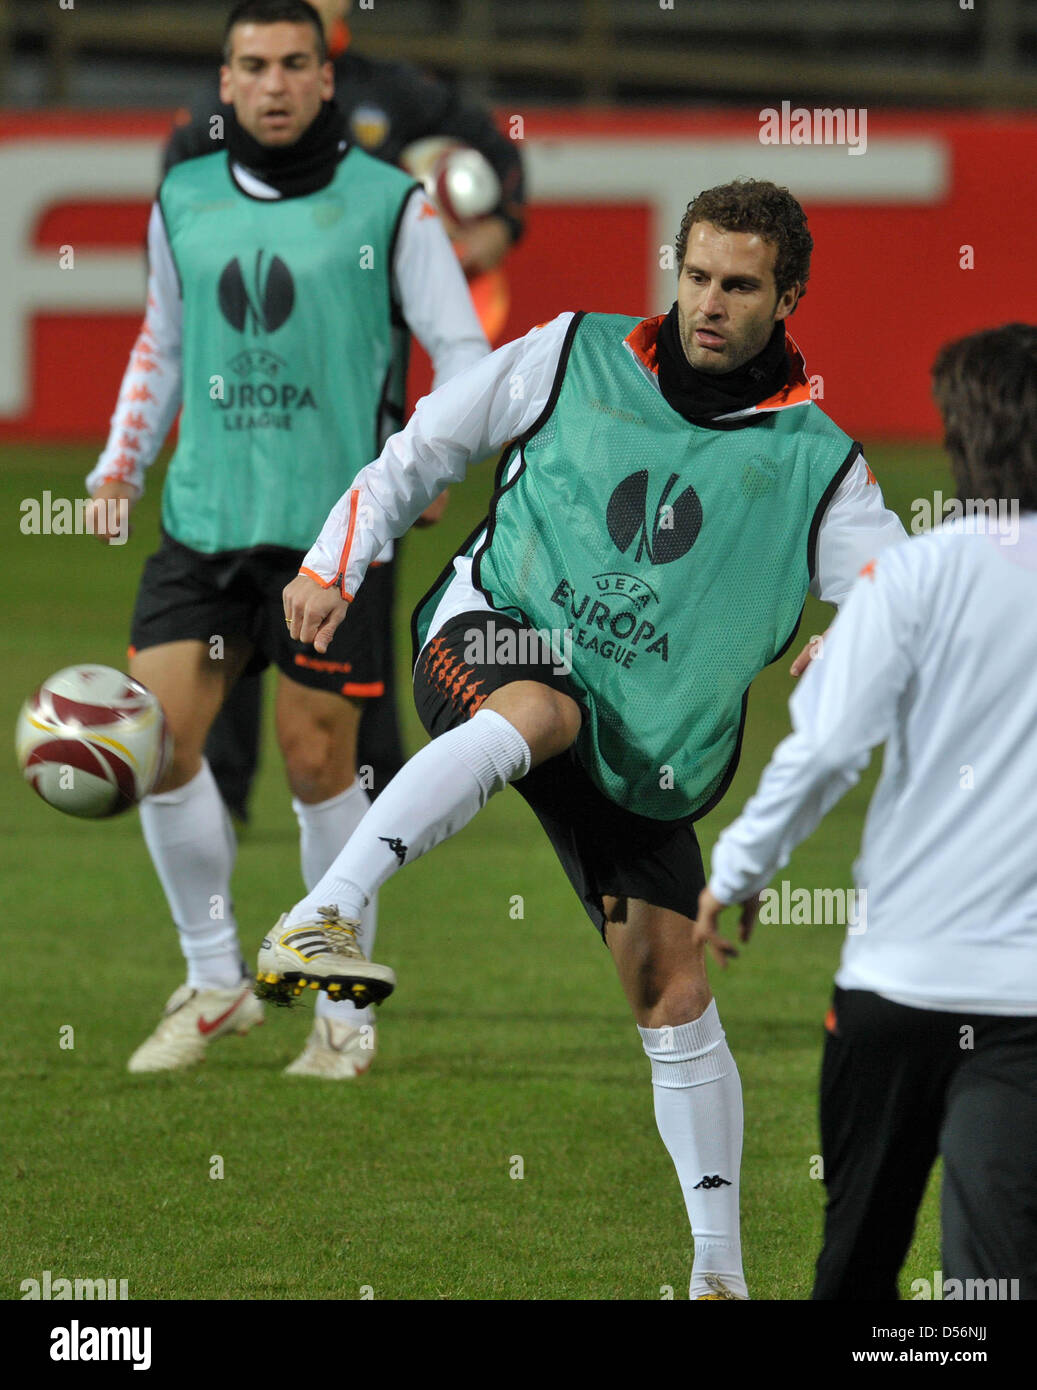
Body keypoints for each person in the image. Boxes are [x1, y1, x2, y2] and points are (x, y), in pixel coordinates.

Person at [260, 178, 908, 1298]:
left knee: (672, 984)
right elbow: (425, 444)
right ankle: (324, 910)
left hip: (639, 735)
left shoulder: (817, 463)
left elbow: (901, 592)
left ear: (787, 295)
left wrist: (854, 637)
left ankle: (717, 1277)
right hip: (491, 630)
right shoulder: (570, 351)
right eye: (695, 275)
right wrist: (334, 558)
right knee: (541, 705)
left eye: (739, 285)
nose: (708, 303)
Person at [87, 0, 489, 1078]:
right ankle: (217, 980)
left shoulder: (390, 206)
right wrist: (122, 459)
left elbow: (463, 354)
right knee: (159, 745)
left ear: (325, 78)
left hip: (331, 533)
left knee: (320, 763)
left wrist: (426, 457)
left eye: (293, 64)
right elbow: (161, 344)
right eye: (252, 65)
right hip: (205, 518)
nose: (272, 84)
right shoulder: (181, 197)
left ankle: (337, 1002)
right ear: (225, 83)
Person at [695, 323, 1037, 1301]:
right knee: (992, 1283)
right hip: (1021, 1008)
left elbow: (826, 748)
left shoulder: (911, 577)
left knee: (851, 1269)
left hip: (892, 986)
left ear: (958, 438)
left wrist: (739, 869)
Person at [164, 0, 526, 824]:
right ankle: (220, 790)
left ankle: (376, 785)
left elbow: (494, 148)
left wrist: (500, 222)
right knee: (230, 618)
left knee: (349, 610)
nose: (275, 82)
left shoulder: (397, 97)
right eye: (257, 67)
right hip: (245, 424)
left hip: (359, 409)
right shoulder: (209, 128)